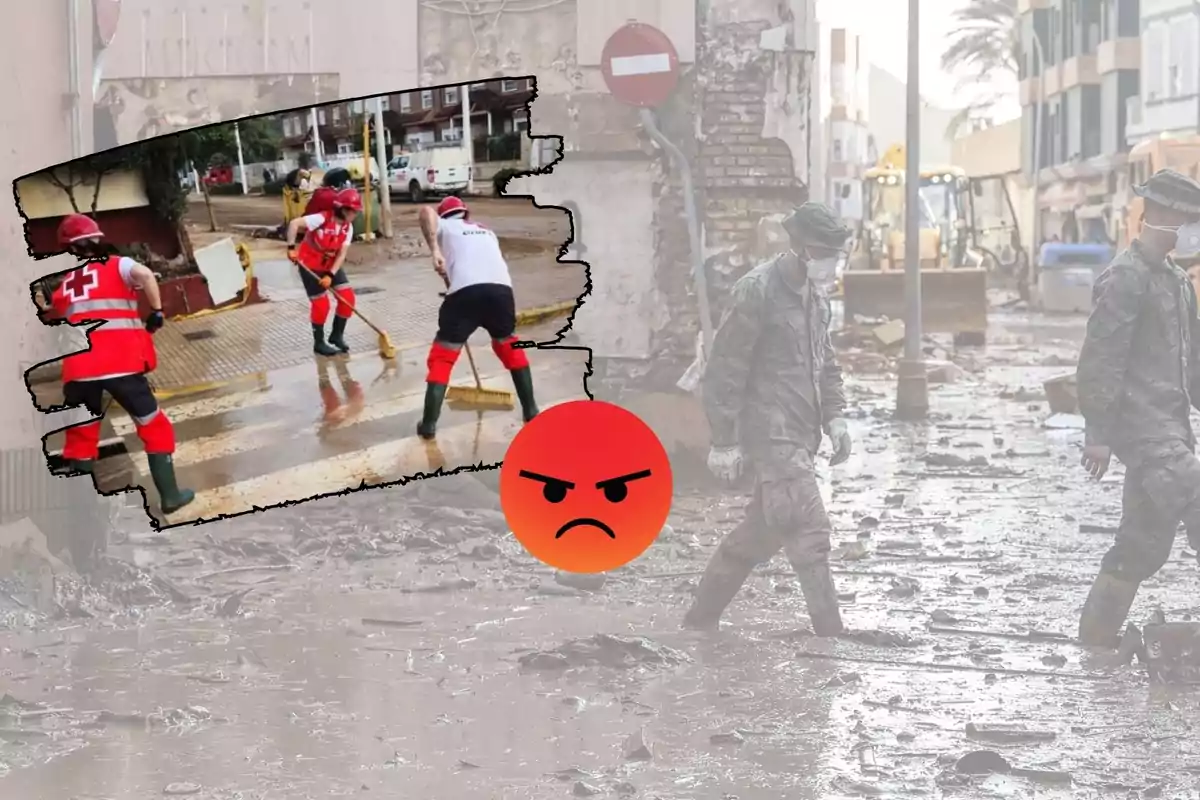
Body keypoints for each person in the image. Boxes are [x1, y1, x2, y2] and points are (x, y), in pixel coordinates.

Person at [683, 201, 855, 636]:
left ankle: (698, 623)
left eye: (835, 253)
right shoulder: (756, 290)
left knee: (760, 534)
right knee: (809, 528)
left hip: (802, 433)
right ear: (798, 247)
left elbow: (825, 362)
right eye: (821, 252)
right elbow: (725, 368)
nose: (829, 262)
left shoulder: (815, 297)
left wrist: (835, 417)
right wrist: (723, 441)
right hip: (769, 433)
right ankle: (832, 638)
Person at [1076, 168, 1200, 647]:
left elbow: (1192, 363)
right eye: (1189, 219)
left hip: (1172, 431)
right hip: (1145, 435)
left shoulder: (1177, 281)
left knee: (1141, 547)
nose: (1193, 229)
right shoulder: (1124, 278)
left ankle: (1095, 645)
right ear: (1163, 216)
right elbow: (1100, 358)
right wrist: (1099, 433)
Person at [37, 214, 195, 515]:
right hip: (120, 365)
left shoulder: (67, 282)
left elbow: (52, 312)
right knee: (153, 426)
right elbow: (147, 275)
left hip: (79, 371)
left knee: (81, 436)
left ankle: (80, 511)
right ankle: (171, 497)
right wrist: (157, 312)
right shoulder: (117, 264)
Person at [414, 196, 539, 439]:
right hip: (501, 291)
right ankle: (531, 410)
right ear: (466, 214)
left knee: (443, 356)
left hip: (465, 294)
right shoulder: (486, 232)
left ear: (444, 216)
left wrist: (435, 250)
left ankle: (428, 424)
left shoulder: (444, 226)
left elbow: (425, 212)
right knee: (510, 347)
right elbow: (476, 262)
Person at [285, 187, 362, 357]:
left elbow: (342, 254)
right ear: (343, 209)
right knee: (321, 305)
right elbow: (294, 224)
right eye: (353, 211)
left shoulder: (347, 228)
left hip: (330, 265)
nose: (355, 215)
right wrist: (291, 248)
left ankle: (336, 336)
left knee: (347, 298)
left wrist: (331, 275)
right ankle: (319, 343)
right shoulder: (321, 218)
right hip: (310, 264)